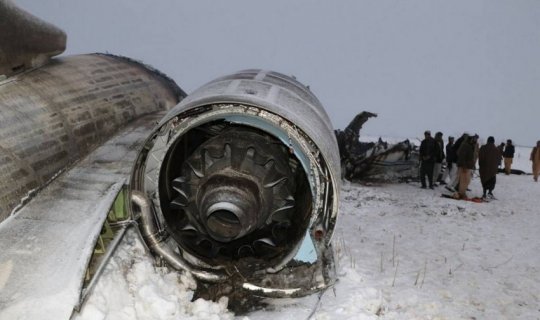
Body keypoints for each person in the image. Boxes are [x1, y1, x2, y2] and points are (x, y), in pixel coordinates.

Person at [454, 134, 475, 199]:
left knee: (467, 180)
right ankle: (461, 193)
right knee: (464, 180)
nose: (473, 140)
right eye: (472, 139)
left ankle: (462, 192)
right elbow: (462, 156)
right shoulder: (465, 146)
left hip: (467, 166)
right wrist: (464, 166)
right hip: (464, 166)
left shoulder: (469, 146)